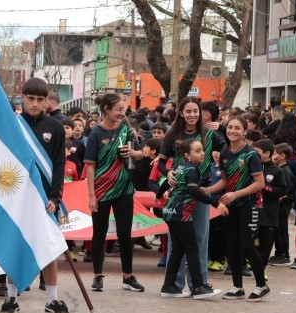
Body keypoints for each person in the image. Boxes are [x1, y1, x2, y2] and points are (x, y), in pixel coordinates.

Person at [0, 77, 71, 313]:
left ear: (47, 101)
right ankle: (11, 297)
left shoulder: (56, 127)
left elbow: (60, 164)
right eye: (31, 99)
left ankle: (52, 300)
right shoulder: (13, 126)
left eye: (41, 99)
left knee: (48, 248)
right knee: (16, 245)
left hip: (46, 198)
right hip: (18, 197)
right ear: (22, 97)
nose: (35, 104)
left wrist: (56, 195)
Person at [158, 97, 226, 290]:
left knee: (200, 240)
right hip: (179, 195)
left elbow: (228, 149)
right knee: (176, 243)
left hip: (201, 191)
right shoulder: (173, 134)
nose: (192, 115)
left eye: (195, 111)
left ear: (201, 113)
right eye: (188, 111)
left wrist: (222, 128)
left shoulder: (209, 134)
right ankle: (175, 284)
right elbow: (161, 162)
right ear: (181, 113)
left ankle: (200, 283)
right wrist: (167, 172)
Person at [83, 93, 145, 293]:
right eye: (118, 109)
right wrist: (91, 195)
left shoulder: (126, 130)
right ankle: (97, 276)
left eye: (123, 109)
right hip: (101, 189)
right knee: (99, 234)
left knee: (125, 234)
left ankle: (128, 276)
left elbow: (140, 153)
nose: (121, 113)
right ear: (106, 110)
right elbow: (90, 166)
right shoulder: (96, 133)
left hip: (124, 188)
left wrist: (135, 153)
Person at [209, 116, 270, 301]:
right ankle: (237, 287)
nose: (233, 131)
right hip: (231, 207)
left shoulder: (251, 155)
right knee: (232, 246)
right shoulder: (225, 152)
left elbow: (259, 184)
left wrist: (235, 194)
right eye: (230, 128)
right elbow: (226, 181)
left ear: (244, 131)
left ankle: (262, 285)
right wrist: (208, 190)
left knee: (246, 245)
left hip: (248, 205)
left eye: (237, 128)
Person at [254, 139, 288, 270]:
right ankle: (249, 264)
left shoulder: (277, 171)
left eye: (257, 152)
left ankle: (261, 269)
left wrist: (266, 188)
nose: (253, 154)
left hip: (269, 213)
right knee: (251, 242)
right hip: (253, 211)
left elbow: (282, 191)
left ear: (267, 153)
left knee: (266, 243)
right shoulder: (251, 167)